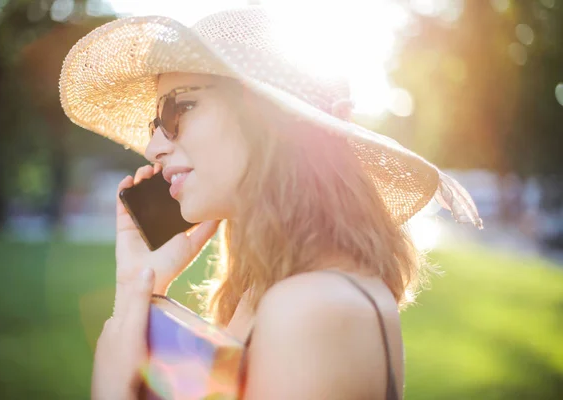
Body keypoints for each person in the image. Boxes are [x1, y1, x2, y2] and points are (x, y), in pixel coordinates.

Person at [59, 7, 483, 400]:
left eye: (179, 107)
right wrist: (140, 283)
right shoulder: (273, 290)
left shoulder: (307, 309)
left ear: (267, 118)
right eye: (156, 122)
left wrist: (113, 386)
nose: (153, 147)